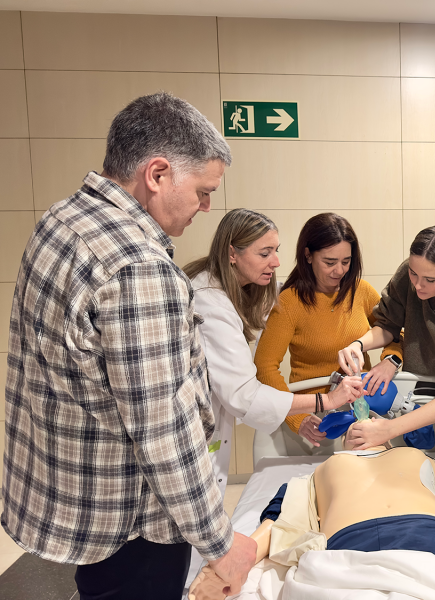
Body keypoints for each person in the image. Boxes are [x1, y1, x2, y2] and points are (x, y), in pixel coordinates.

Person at [2, 92, 256, 599]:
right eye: (203, 191)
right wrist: (219, 542)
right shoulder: (139, 267)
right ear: (158, 174)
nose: (207, 207)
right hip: (130, 523)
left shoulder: (64, 219)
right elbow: (162, 428)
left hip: (67, 495)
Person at [188, 427, 435, 600]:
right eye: (350, 427)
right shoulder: (321, 469)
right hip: (349, 547)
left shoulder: (419, 457)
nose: (359, 425)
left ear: (391, 434)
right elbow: (282, 517)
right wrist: (237, 560)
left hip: (431, 540)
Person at [184, 209, 363, 496]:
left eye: (275, 251)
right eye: (265, 253)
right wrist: (324, 401)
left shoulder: (358, 292)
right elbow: (247, 392)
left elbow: (391, 327)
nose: (276, 262)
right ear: (232, 254)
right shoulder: (213, 304)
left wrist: (384, 357)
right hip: (193, 429)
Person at [338, 226, 435, 450]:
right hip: (419, 386)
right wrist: (359, 344)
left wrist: (389, 429)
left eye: (430, 280)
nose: (418, 285)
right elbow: (387, 325)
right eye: (414, 273)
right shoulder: (410, 274)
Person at [254, 213, 401, 449]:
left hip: (363, 410)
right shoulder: (289, 303)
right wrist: (296, 418)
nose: (339, 271)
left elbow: (394, 330)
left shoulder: (360, 292)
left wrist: (390, 360)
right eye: (330, 262)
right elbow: (264, 366)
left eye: (346, 261)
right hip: (317, 418)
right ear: (308, 255)